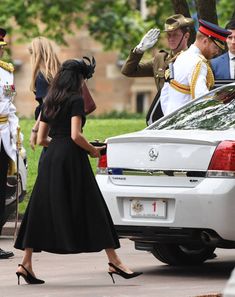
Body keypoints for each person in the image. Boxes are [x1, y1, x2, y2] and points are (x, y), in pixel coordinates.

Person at [14, 57, 142, 285]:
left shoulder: (49, 99)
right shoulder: (74, 100)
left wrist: (58, 147)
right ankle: (114, 261)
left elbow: (42, 138)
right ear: (78, 78)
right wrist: (93, 150)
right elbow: (76, 135)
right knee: (93, 206)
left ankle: (26, 263)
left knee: (40, 208)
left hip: (51, 157)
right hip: (72, 158)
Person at [121, 14, 194, 124]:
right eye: (168, 35)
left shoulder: (193, 59)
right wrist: (139, 50)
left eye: (175, 35)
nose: (171, 39)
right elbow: (128, 71)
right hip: (162, 116)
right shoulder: (160, 59)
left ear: (186, 36)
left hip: (186, 115)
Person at [166, 19, 231, 115]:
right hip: (185, 123)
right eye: (216, 47)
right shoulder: (198, 63)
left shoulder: (183, 56)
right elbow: (202, 99)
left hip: (172, 118)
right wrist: (221, 100)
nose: (217, 52)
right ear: (205, 41)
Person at [0, 28, 19, 259]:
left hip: (3, 136)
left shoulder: (6, 72)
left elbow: (10, 107)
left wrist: (16, 134)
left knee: (1, 190)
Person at [28, 37, 60, 151]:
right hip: (62, 123)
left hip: (50, 125)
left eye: (31, 53)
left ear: (37, 54)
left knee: (47, 162)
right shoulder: (59, 72)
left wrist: (35, 130)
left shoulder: (42, 76)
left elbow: (47, 106)